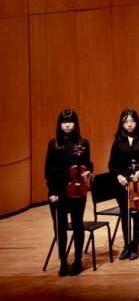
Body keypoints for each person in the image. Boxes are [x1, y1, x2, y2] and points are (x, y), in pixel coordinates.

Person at [46, 109, 93, 276]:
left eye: (70, 122)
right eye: (64, 122)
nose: (67, 125)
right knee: (60, 227)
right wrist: (52, 192)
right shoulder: (54, 145)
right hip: (59, 191)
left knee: (78, 225)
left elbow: (88, 164)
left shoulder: (83, 143)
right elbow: (49, 170)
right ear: (60, 124)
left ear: (75, 124)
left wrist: (88, 172)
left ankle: (78, 261)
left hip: (77, 190)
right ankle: (63, 261)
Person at [108, 109, 139, 260]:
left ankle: (135, 245)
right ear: (122, 124)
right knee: (125, 213)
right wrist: (119, 176)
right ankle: (127, 245)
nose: (129, 125)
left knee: (136, 211)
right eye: (126, 122)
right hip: (122, 182)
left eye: (132, 121)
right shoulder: (117, 142)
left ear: (137, 122)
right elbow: (111, 165)